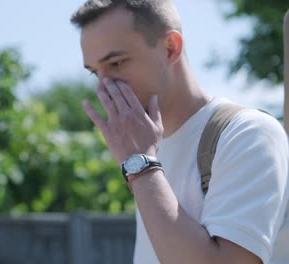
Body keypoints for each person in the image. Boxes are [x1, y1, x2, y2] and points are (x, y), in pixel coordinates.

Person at [70, 1, 289, 263]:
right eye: (96, 73)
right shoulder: (150, 146)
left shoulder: (249, 133)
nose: (104, 88)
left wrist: (141, 166)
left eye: (116, 64)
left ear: (170, 48)